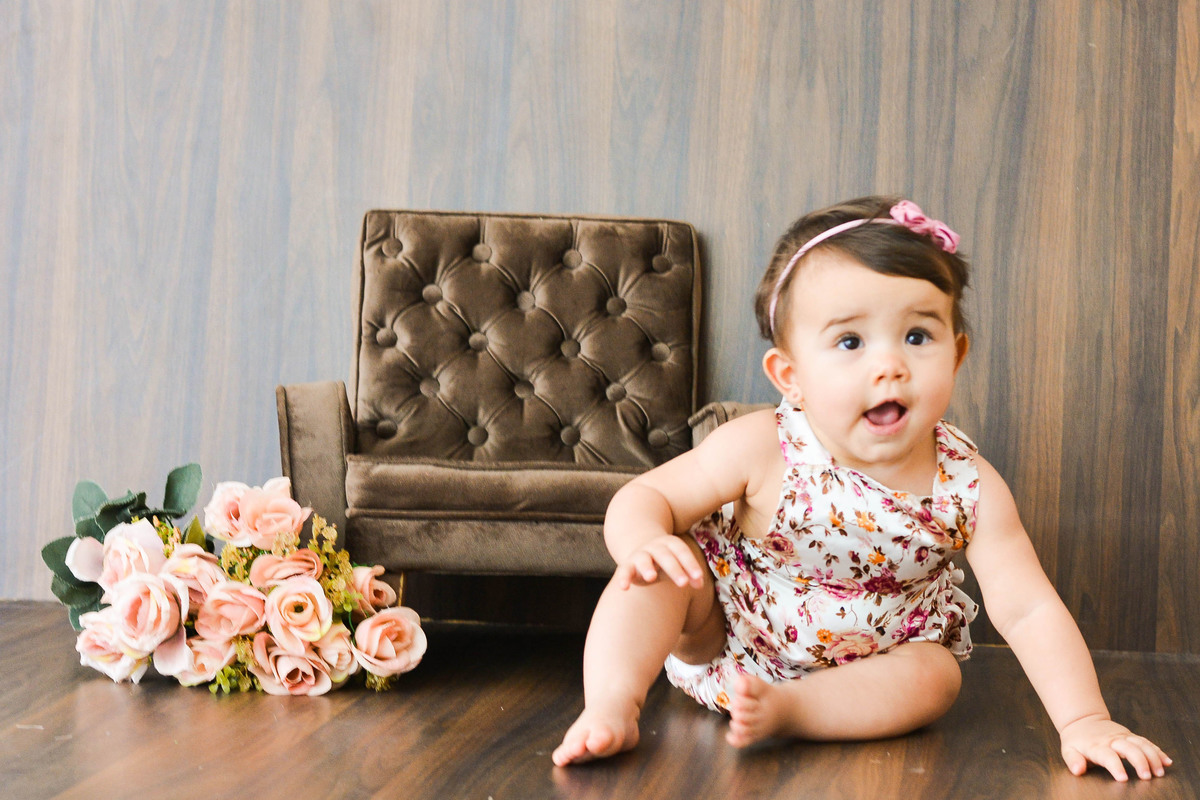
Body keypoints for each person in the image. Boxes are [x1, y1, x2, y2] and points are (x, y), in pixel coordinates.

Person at [552, 196, 1172, 782]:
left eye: (917, 337)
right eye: (851, 342)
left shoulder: (968, 486)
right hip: (724, 632)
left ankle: (796, 709)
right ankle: (610, 706)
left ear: (955, 356)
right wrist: (641, 540)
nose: (889, 365)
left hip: (870, 668)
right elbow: (646, 497)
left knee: (936, 676)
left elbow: (1029, 608)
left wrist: (1085, 720)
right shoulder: (763, 443)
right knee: (659, 570)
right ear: (790, 376)